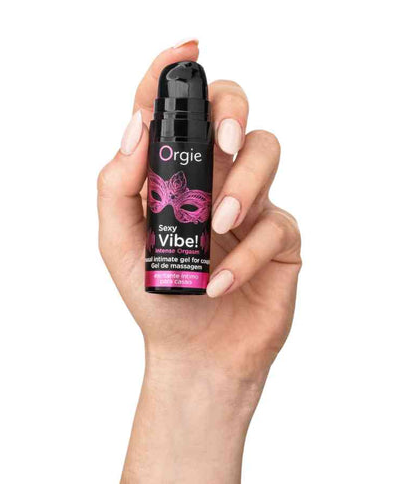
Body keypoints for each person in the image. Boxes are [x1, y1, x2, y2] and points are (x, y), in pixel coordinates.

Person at [97, 39, 302, 483]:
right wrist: (186, 364)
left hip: (202, 280)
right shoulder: (163, 149)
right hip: (173, 275)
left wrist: (207, 374)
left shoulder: (186, 150)